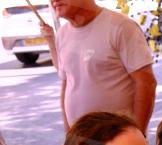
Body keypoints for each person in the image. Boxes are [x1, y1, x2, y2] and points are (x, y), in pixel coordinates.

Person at [50, 0, 156, 132]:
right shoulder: (62, 34)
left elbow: (146, 82)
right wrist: (69, 134)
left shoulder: (121, 26)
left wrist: (138, 134)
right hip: (80, 138)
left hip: (119, 137)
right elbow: (67, 84)